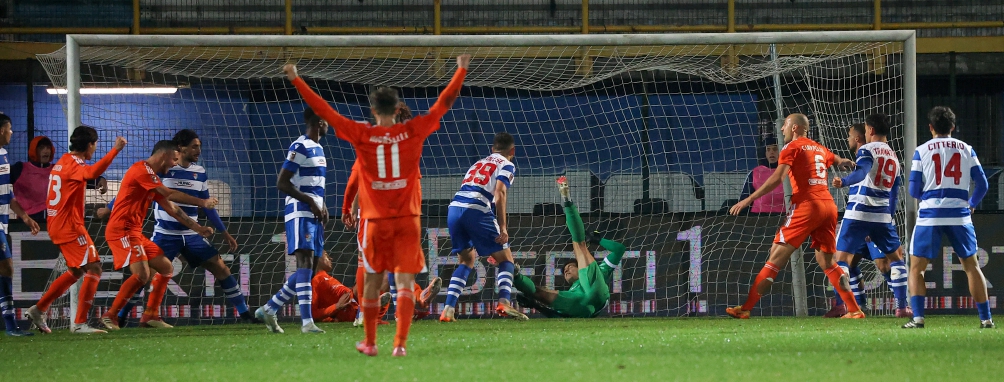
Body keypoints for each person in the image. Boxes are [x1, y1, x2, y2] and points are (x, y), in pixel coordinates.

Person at [286, 54, 469, 357]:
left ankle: (370, 342)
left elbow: (325, 111)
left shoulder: (363, 134)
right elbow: (445, 102)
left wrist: (295, 78)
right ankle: (399, 344)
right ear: (398, 110)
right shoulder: (413, 130)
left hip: (375, 221)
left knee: (371, 281)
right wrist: (461, 69)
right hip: (407, 219)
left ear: (373, 111)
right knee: (404, 280)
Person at [101, 129, 253, 327]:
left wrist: (199, 228)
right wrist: (108, 208)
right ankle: (115, 315)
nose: (198, 150)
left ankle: (151, 316)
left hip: (175, 233)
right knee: (144, 275)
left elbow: (172, 207)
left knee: (169, 268)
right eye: (194, 146)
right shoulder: (148, 172)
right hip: (143, 231)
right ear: (175, 151)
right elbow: (165, 194)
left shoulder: (192, 173)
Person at [727, 113, 864, 319]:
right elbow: (838, 160)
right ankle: (854, 310)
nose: (781, 130)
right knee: (828, 263)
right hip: (828, 206)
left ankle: (745, 308)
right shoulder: (818, 147)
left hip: (806, 206)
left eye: (784, 126)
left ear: (794, 128)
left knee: (774, 259)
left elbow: (778, 178)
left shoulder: (791, 147)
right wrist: (845, 162)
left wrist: (748, 200)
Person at [23, 126, 125, 334]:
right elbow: (92, 172)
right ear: (89, 145)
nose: (95, 149)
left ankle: (39, 309)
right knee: (95, 268)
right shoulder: (76, 164)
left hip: (60, 223)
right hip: (69, 226)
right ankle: (79, 323)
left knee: (77, 270)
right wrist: (115, 150)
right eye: (95, 145)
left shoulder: (63, 162)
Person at [903, 106, 993, 329]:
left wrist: (930, 198)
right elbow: (982, 184)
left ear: (930, 127)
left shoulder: (921, 150)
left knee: (916, 268)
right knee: (972, 266)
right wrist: (971, 204)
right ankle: (986, 319)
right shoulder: (966, 149)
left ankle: (918, 319)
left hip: (930, 216)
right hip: (959, 215)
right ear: (953, 127)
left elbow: (913, 189)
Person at [254, 108, 330, 335]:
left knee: (312, 268)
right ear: (320, 122)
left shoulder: (319, 148)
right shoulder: (299, 146)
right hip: (300, 211)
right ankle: (306, 323)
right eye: (326, 121)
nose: (329, 125)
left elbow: (314, 183)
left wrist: (322, 204)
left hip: (314, 211)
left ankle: (270, 307)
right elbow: (282, 183)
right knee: (305, 263)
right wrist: (310, 201)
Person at [824, 118, 910, 318]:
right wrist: (888, 217)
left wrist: (843, 181)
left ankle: (847, 307)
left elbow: (862, 172)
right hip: (882, 215)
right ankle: (902, 307)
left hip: (859, 212)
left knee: (841, 260)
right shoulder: (894, 157)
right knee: (896, 259)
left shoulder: (867, 150)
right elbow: (895, 193)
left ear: (870, 130)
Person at [439, 132, 526, 322]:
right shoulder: (507, 164)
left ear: (492, 149)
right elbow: (500, 193)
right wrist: (503, 227)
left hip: (454, 208)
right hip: (476, 209)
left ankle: (448, 310)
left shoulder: (478, 163)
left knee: (466, 260)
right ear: (513, 151)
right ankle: (504, 302)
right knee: (506, 260)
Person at [511, 176, 626, 318]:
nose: (566, 270)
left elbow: (619, 249)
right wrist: (536, 305)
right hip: (581, 308)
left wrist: (598, 239)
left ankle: (567, 200)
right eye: (565, 270)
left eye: (570, 267)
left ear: (580, 266)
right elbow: (558, 317)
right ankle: (515, 275)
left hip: (596, 293)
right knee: (537, 293)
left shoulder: (602, 270)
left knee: (579, 244)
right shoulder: (570, 292)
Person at [0, 113, 41, 336]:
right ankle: (10, 325)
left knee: (5, 269)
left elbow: (9, 194)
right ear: (1, 130)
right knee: (6, 268)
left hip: (3, 222)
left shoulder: (4, 155)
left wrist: (24, 217)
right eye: (10, 128)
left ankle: (10, 326)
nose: (12, 133)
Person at [311, 251, 438, 323]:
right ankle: (414, 299)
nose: (330, 257)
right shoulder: (315, 281)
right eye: (325, 254)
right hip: (350, 309)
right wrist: (335, 308)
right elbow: (313, 314)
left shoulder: (325, 277)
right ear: (315, 258)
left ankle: (415, 299)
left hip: (355, 301)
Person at [740, 136, 785, 213]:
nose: (771, 152)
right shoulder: (754, 173)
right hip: (757, 218)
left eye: (775, 149)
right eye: (768, 149)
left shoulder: (788, 172)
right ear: (764, 152)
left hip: (783, 216)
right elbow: (744, 199)